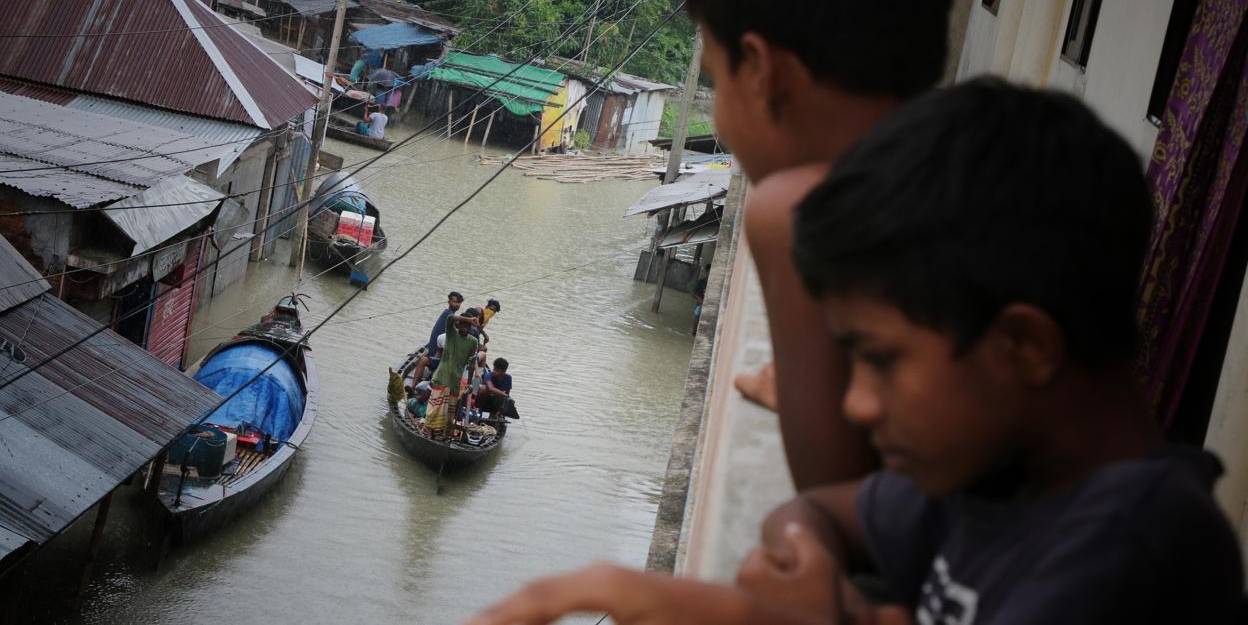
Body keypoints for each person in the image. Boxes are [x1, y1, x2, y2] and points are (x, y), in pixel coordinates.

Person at [466, 81, 1248, 624]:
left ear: (1022, 345)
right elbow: (817, 512)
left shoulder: (1131, 551)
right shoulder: (992, 480)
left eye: (881, 359)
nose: (859, 403)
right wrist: (808, 557)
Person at [687, 0, 956, 491]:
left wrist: (804, 383)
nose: (716, 114)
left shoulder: (791, 212)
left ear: (761, 72)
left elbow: (830, 492)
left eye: (714, 79)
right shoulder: (971, 158)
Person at [424, 311, 480, 436]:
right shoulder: (451, 334)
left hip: (455, 380)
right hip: (442, 377)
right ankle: (429, 430)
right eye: (463, 324)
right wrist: (469, 319)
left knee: (449, 412)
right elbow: (450, 318)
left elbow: (471, 363)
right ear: (458, 325)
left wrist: (470, 384)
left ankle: (442, 434)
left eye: (468, 325)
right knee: (434, 409)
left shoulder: (473, 342)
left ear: (470, 328)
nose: (465, 327)